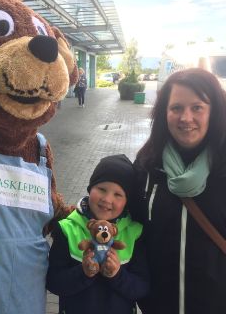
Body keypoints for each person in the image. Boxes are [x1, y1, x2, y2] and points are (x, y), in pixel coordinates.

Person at [131, 68, 226, 314]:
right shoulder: (147, 167)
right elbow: (133, 233)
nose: (186, 118)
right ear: (164, 114)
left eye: (197, 107)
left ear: (213, 112)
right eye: (176, 108)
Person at [46, 154, 149, 314]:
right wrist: (83, 273)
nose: (107, 199)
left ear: (127, 201)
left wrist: (117, 275)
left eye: (118, 194)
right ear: (90, 189)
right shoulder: (67, 229)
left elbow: (141, 287)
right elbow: (53, 281)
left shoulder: (134, 233)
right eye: (101, 189)